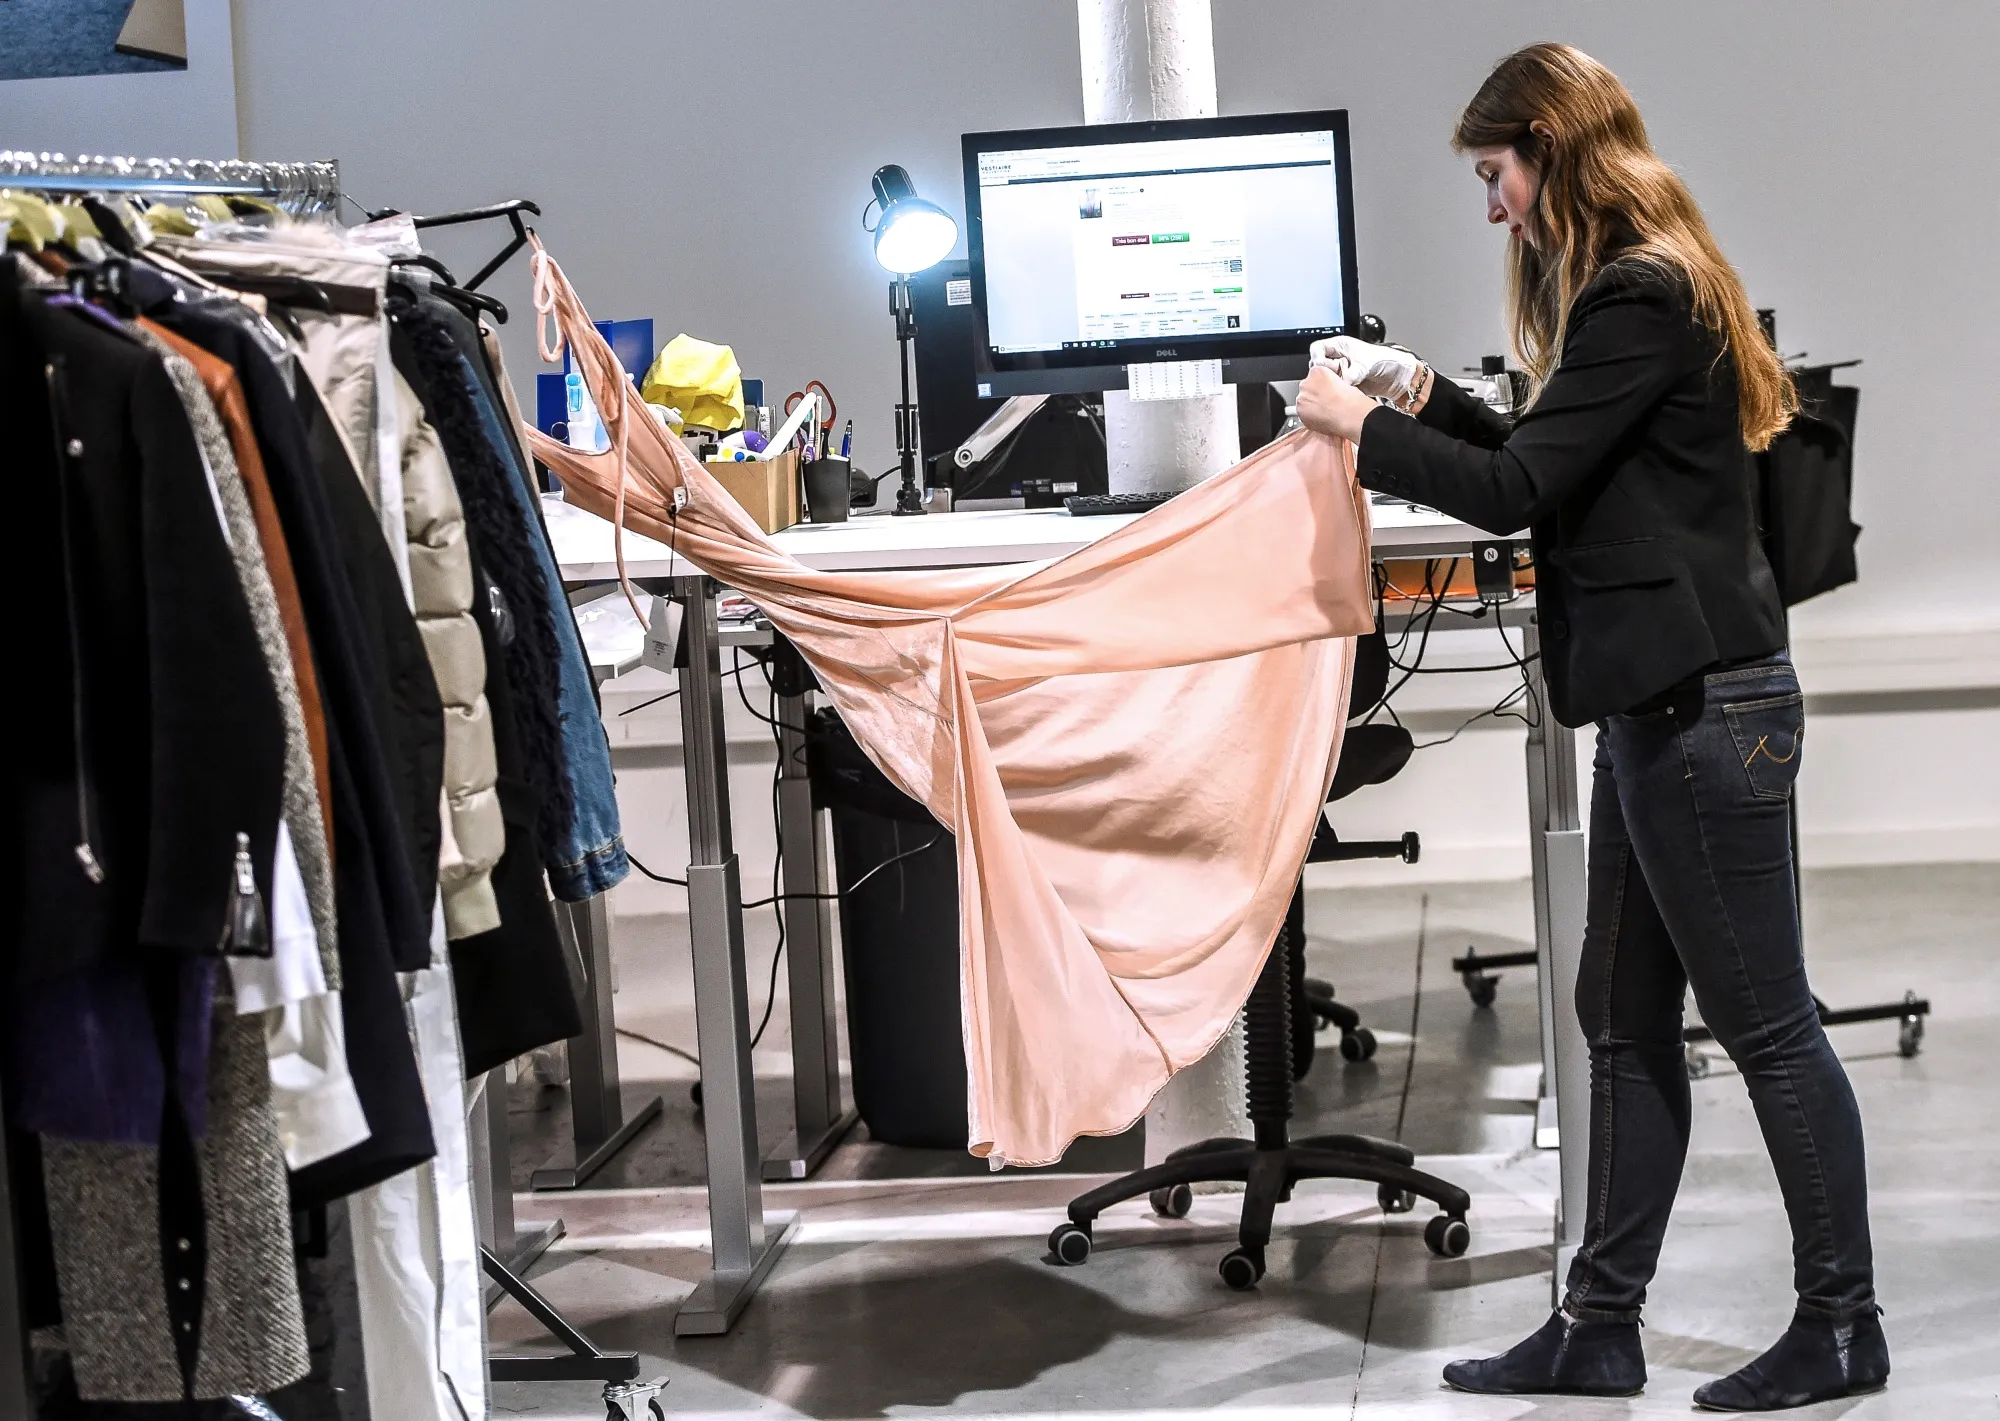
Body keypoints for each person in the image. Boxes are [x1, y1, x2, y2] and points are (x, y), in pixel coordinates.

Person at [1295, 43, 1885, 1412]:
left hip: (1702, 716)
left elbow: (1516, 492)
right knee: (1617, 1020)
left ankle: (1842, 1326)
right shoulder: (1643, 287)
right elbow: (1553, 453)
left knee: (1768, 1025)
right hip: (1657, 711)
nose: (1493, 207)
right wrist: (1415, 391)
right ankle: (1597, 1326)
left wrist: (1353, 433)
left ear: (1552, 149)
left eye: (1496, 174)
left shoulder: (1639, 293)